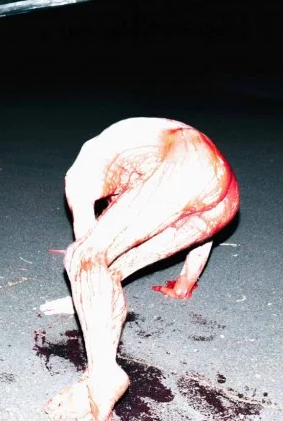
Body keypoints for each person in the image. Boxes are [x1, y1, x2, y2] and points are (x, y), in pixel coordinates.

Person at [41, 117, 240, 420]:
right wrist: (185, 283)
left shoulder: (81, 176)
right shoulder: (135, 169)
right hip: (225, 194)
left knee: (82, 256)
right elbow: (204, 232)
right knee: (111, 267)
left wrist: (85, 293)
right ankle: (99, 363)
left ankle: (102, 377)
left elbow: (89, 253)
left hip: (186, 161)